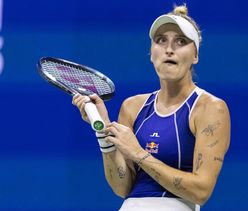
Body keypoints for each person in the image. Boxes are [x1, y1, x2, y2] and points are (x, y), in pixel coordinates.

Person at [72, 4, 230, 211]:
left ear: (195, 56)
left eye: (180, 42)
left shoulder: (210, 108)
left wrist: (139, 154)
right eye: (161, 40)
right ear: (151, 53)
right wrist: (103, 132)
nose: (169, 49)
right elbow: (122, 188)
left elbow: (201, 191)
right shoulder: (132, 107)